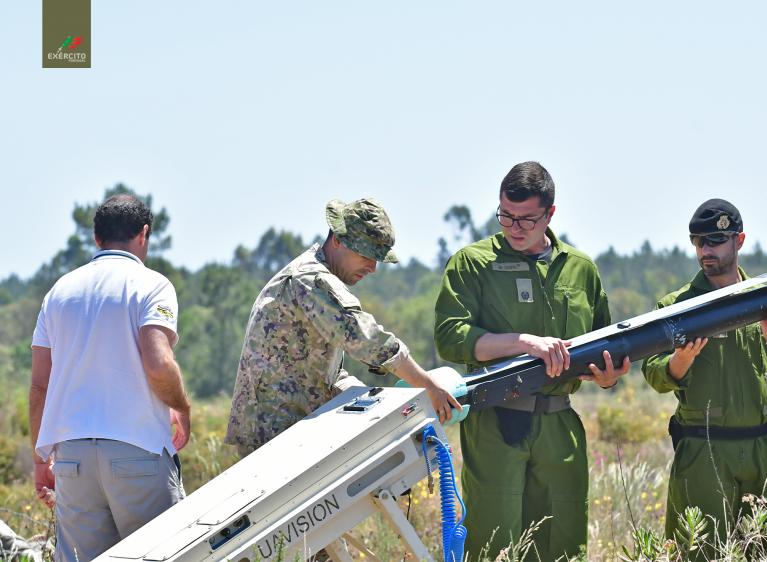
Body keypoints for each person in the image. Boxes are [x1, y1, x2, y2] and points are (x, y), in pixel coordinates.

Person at [433, 161, 629, 560]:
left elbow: (603, 342)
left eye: (526, 219)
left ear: (550, 214)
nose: (514, 227)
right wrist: (523, 343)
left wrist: (609, 377)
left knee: (562, 544)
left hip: (560, 425)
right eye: (506, 215)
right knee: (495, 546)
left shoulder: (581, 269)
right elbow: (450, 337)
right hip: (496, 424)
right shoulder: (473, 263)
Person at [226, 197, 460, 457]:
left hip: (289, 426)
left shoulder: (313, 275)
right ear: (337, 240)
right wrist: (428, 385)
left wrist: (377, 406)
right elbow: (368, 340)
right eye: (366, 255)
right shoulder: (311, 280)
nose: (372, 268)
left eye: (377, 258)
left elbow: (325, 373)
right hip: (274, 433)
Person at [642, 198, 767, 549]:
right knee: (699, 552)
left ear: (740, 240)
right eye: (698, 242)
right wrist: (681, 359)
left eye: (716, 240)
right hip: (703, 453)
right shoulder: (676, 307)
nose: (706, 250)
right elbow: (655, 374)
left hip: (764, 453)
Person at [30, 194, 191, 562]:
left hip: (72, 458)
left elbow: (40, 386)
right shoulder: (152, 285)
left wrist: (41, 460)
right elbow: (158, 363)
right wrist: (181, 406)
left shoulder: (58, 293)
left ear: (97, 238)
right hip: (137, 450)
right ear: (144, 234)